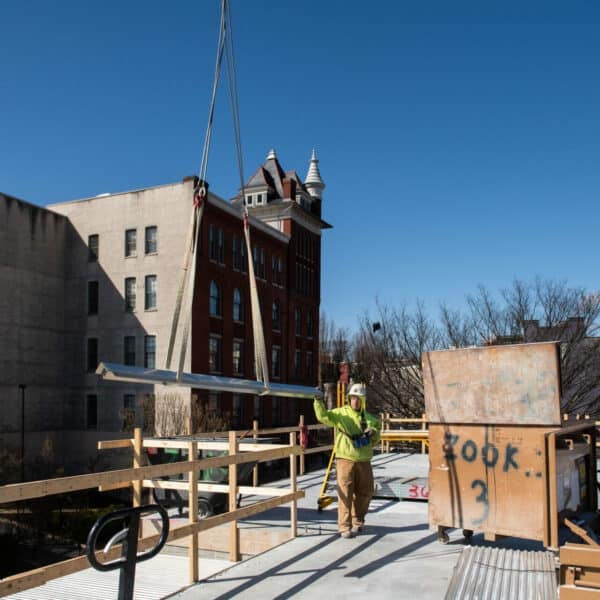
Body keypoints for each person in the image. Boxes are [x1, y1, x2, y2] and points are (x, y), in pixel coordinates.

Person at [314, 383, 381, 538]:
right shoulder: (341, 414)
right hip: (345, 458)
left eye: (359, 398)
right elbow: (323, 416)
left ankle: (357, 520)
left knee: (366, 492)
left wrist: (373, 433)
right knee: (345, 492)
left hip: (364, 459)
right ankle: (344, 526)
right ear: (348, 398)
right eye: (353, 398)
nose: (355, 401)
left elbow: (376, 439)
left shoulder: (370, 419)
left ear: (363, 400)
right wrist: (318, 401)